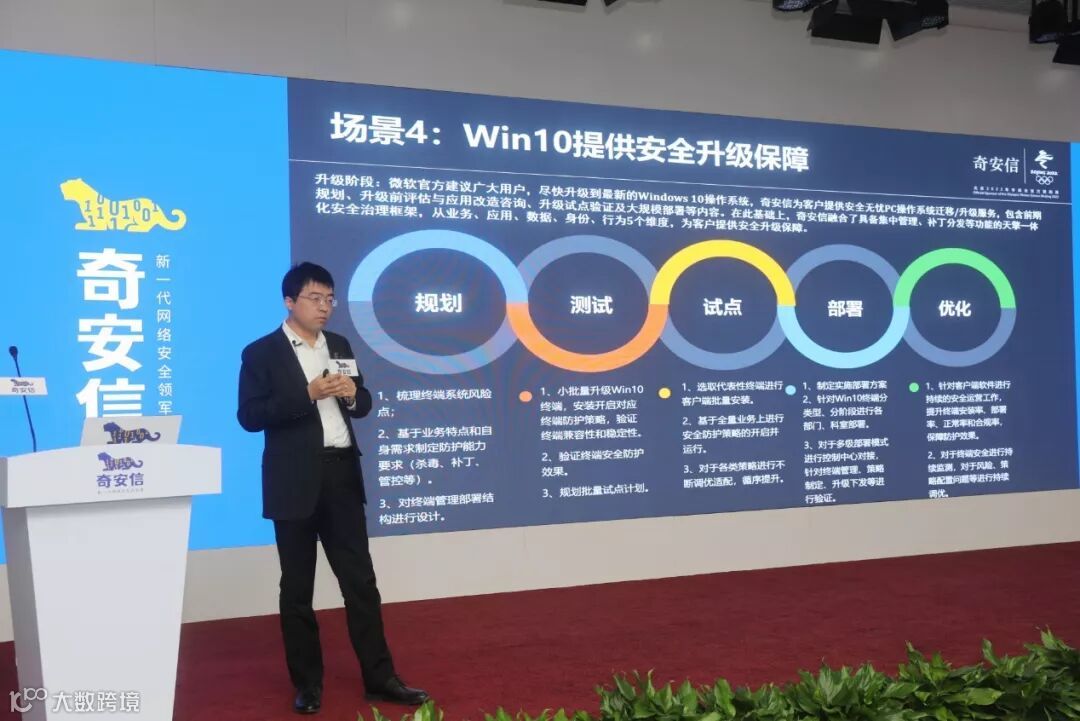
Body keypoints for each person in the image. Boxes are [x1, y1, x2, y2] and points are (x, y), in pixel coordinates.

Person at [237, 262, 428, 714]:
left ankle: (381, 678)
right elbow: (249, 416)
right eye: (314, 298)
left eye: (329, 299)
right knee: (297, 588)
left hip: (341, 475)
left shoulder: (339, 345)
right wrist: (308, 394)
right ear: (289, 301)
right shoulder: (261, 352)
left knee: (360, 583)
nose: (324, 307)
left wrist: (350, 395)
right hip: (293, 482)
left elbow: (363, 402)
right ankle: (308, 685)